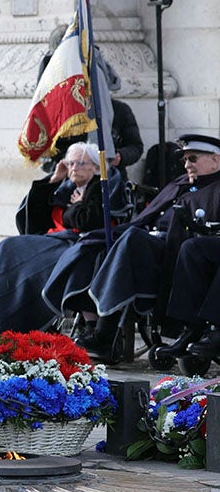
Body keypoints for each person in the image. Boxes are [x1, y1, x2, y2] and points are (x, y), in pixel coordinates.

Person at [44, 134, 220, 360]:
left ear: (215, 160)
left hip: (174, 251)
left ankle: (105, 333)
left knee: (131, 240)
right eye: (184, 159)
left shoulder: (216, 188)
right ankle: (91, 324)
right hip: (147, 240)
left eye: (193, 158)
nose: (187, 165)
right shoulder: (180, 183)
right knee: (95, 244)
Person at [0, 142, 118, 337]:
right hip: (53, 239)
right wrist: (54, 180)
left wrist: (77, 205)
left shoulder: (101, 187)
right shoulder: (66, 187)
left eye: (81, 163)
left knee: (26, 257)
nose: (74, 168)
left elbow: (87, 222)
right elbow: (35, 214)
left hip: (77, 243)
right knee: (9, 246)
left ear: (96, 167)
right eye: (70, 163)